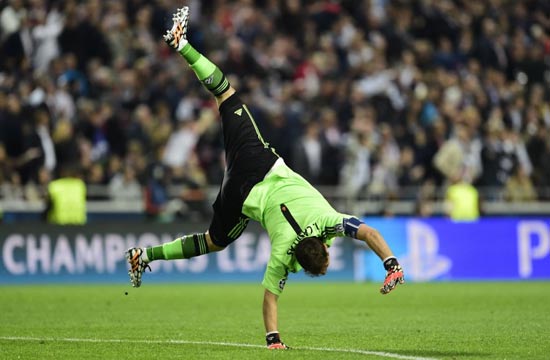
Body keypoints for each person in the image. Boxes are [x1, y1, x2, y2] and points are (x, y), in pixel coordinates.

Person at [126, 6, 404, 350]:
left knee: (225, 93)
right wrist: (272, 341)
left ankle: (182, 45)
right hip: (239, 196)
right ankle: (145, 255)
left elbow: (370, 233)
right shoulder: (284, 253)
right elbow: (269, 298)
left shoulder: (330, 221)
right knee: (214, 242)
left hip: (257, 162)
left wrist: (392, 263)